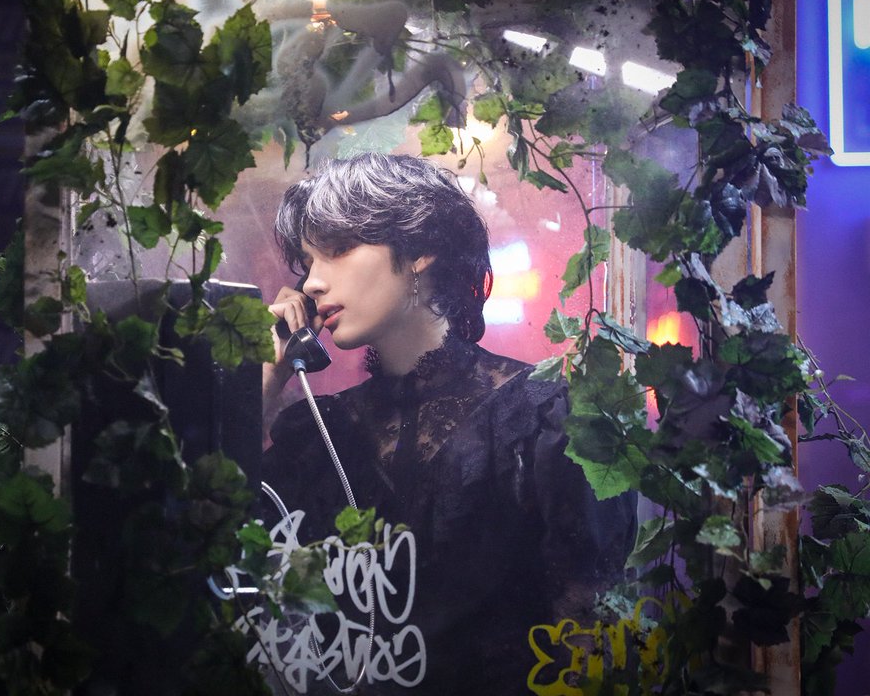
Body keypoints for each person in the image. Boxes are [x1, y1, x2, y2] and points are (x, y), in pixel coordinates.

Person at [259, 152, 636, 695]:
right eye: (307, 261)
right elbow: (219, 555)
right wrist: (268, 378)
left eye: (338, 250)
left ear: (419, 249)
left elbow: (589, 626)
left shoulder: (545, 419)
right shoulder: (317, 434)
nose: (313, 283)